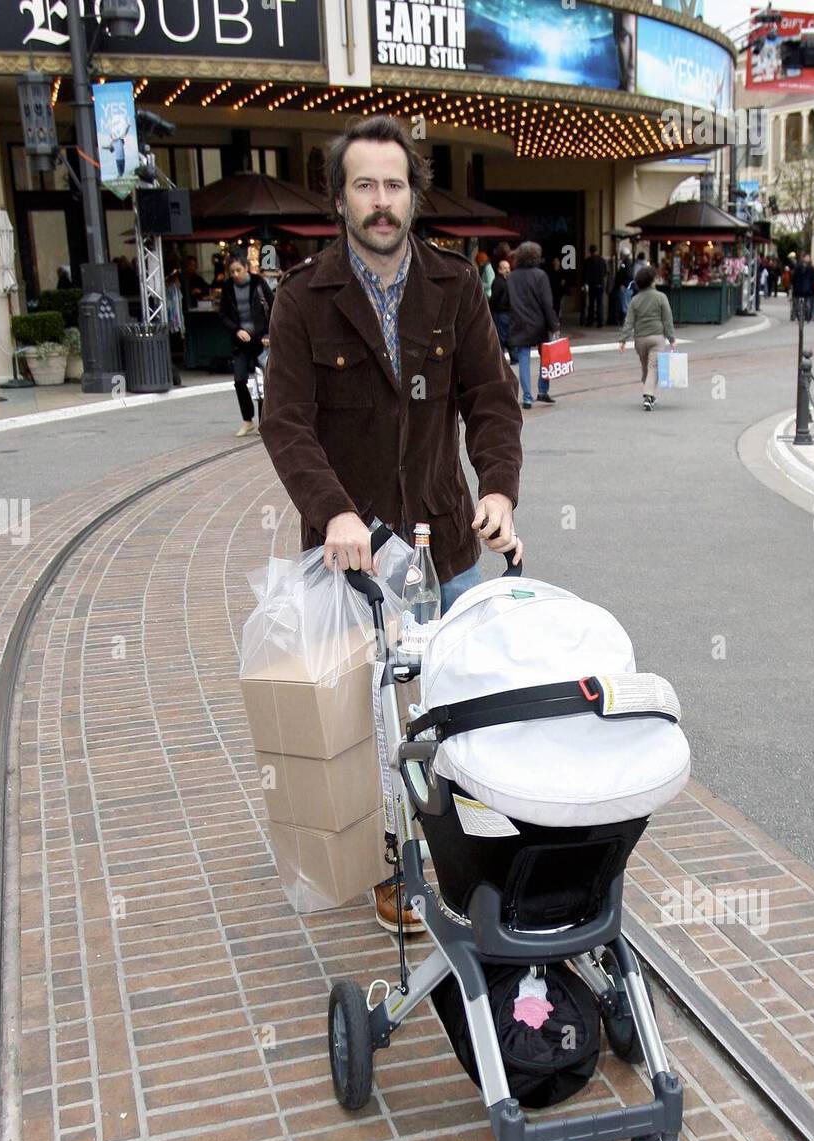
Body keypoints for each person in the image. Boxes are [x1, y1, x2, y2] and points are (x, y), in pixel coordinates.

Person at [259, 114, 523, 934]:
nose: (381, 201)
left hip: (442, 545)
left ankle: (462, 852)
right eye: (364, 185)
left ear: (415, 194)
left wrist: (500, 490)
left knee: (455, 707)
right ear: (339, 199)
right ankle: (393, 862)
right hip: (353, 559)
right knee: (372, 720)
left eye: (395, 184)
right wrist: (332, 509)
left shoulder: (454, 285)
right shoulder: (305, 298)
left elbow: (490, 400)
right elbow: (286, 421)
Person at [219, 250, 275, 437]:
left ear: (246, 268)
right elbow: (223, 315)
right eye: (232, 271)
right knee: (239, 380)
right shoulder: (227, 287)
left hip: (260, 339)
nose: (235, 275)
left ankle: (263, 421)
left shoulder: (259, 283)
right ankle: (247, 419)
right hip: (240, 340)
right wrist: (236, 330)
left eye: (238, 270)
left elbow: (274, 306)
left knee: (262, 382)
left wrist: (268, 333)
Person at [617, 263, 677, 411]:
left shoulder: (635, 300)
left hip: (640, 339)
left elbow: (629, 321)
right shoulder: (661, 297)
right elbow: (667, 320)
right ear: (652, 281)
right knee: (653, 367)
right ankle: (648, 396)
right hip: (656, 337)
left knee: (646, 368)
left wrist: (623, 340)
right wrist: (671, 339)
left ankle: (649, 394)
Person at [507, 240, 559, 408]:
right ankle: (543, 390)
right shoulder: (540, 275)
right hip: (539, 322)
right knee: (546, 357)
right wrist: (553, 324)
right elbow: (547, 303)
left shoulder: (512, 276)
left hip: (519, 322)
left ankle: (527, 397)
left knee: (523, 359)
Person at [490, 257, 514, 361]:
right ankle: (505, 359)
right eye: (505, 268)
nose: (508, 270)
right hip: (500, 312)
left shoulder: (506, 280)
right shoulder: (498, 282)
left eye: (508, 268)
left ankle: (511, 357)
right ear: (499, 269)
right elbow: (494, 298)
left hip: (506, 312)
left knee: (506, 336)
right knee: (502, 337)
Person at [582, 243, 608, 327]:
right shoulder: (602, 260)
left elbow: (585, 274)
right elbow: (605, 272)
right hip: (600, 284)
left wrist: (586, 283)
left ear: (590, 251)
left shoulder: (587, 261)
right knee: (600, 303)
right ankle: (600, 322)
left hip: (591, 285)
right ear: (596, 250)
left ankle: (590, 321)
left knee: (591, 304)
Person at [791, 252, 814, 323]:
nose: (807, 258)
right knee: (799, 305)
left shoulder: (811, 268)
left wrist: (813, 287)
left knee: (807, 305)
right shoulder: (798, 267)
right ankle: (799, 316)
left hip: (808, 290)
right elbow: (794, 278)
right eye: (806, 257)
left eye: (808, 257)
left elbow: (813, 279)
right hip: (799, 289)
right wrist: (793, 286)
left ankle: (808, 317)